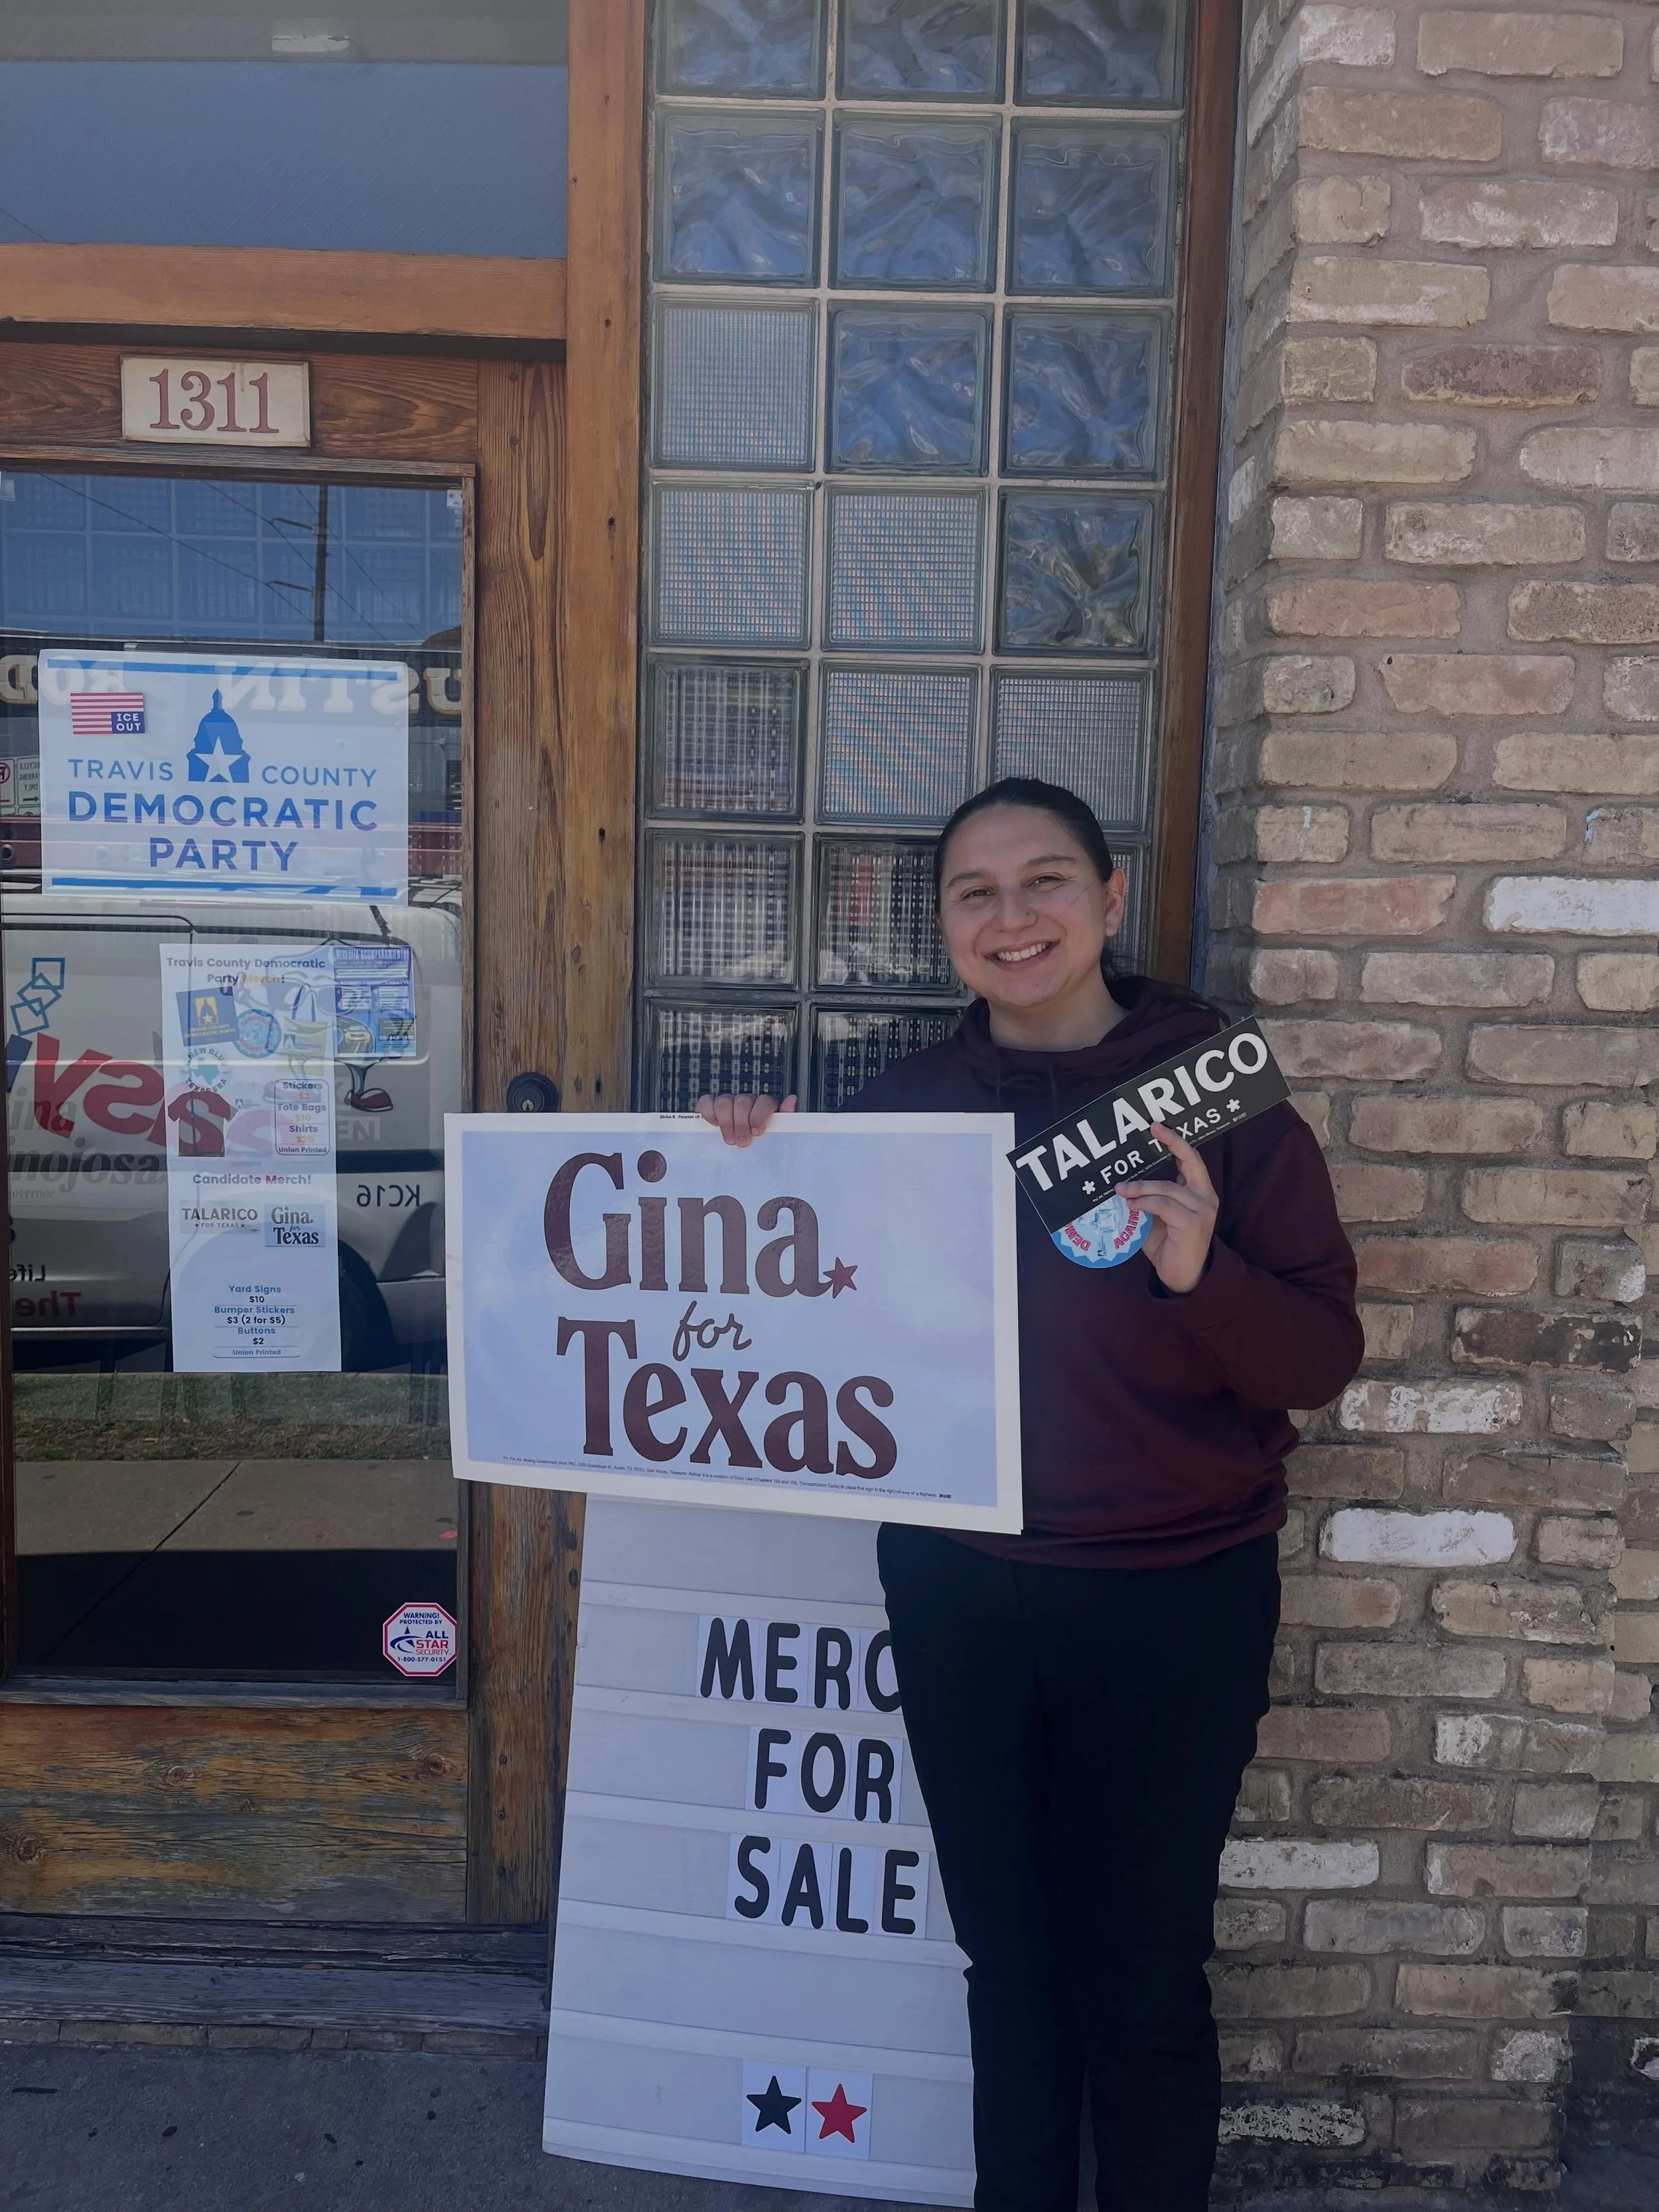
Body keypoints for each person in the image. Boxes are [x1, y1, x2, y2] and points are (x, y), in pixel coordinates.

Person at [700, 777, 1364, 2212]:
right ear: (943, 926)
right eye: (976, 892)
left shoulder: (1217, 1097)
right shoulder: (901, 1115)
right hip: (960, 1590)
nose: (1013, 917)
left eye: (1045, 880)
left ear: (1109, 900)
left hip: (1174, 1590)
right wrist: (742, 1165)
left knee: (1139, 1974)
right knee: (1006, 1963)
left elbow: (1318, 1359)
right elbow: (796, 1314)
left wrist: (1202, 1274)